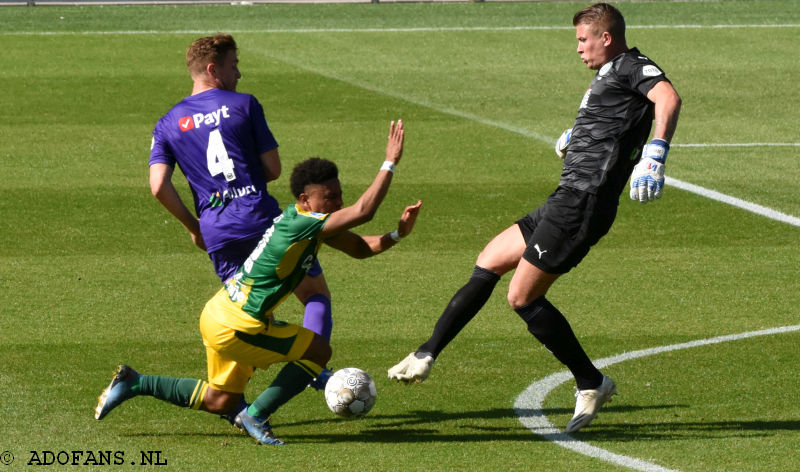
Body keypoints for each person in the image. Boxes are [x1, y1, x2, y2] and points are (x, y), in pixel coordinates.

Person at [388, 2, 681, 434]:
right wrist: (578, 135)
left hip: (584, 203)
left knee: (521, 298)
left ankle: (591, 382)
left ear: (606, 36)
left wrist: (656, 153)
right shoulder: (607, 76)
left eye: (583, 40)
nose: (579, 49)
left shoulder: (632, 65)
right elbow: (615, 120)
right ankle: (427, 352)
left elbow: (668, 97)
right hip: (564, 195)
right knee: (489, 259)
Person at [97, 120, 423, 445]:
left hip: (221, 312)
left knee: (220, 401)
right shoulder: (302, 226)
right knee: (318, 351)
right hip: (240, 324)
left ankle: (135, 383)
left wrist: (397, 234)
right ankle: (257, 415)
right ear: (305, 199)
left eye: (339, 196)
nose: (338, 204)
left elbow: (360, 247)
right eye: (330, 197)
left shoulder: (307, 223)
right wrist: (390, 161)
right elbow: (364, 210)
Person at [148, 34, 335, 382]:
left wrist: (194, 227)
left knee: (245, 317)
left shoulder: (167, 123)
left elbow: (158, 186)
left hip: (217, 231)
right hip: (260, 218)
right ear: (212, 68)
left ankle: (232, 399)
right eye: (233, 65)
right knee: (314, 295)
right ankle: (315, 370)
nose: (239, 74)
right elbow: (275, 169)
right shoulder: (244, 104)